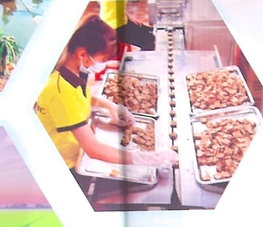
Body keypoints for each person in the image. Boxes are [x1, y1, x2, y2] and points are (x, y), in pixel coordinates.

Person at [34, 15, 173, 179]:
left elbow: (80, 97)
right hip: (63, 164)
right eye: (100, 60)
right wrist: (146, 158)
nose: (99, 65)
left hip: (74, 148)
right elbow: (94, 150)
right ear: (82, 54)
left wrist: (109, 106)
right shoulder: (60, 89)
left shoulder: (73, 71)